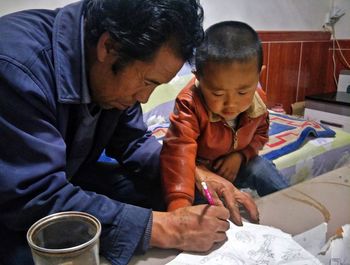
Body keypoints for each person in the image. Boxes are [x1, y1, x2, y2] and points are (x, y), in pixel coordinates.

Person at [0, 2, 259, 265]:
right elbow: (33, 195)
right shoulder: (15, 66)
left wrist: (193, 173)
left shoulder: (113, 61)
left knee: (167, 188)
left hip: (64, 175)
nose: (144, 97)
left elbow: (134, 141)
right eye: (147, 82)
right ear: (108, 47)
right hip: (14, 202)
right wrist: (165, 228)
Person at [161, 21, 289, 213]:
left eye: (243, 92)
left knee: (261, 168)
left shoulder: (258, 101)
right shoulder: (189, 104)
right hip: (199, 172)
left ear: (258, 76)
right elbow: (177, 152)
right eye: (218, 94)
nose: (231, 104)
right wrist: (179, 209)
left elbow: (260, 135)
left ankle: (291, 207)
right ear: (199, 78)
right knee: (201, 207)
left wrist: (240, 156)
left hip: (237, 166)